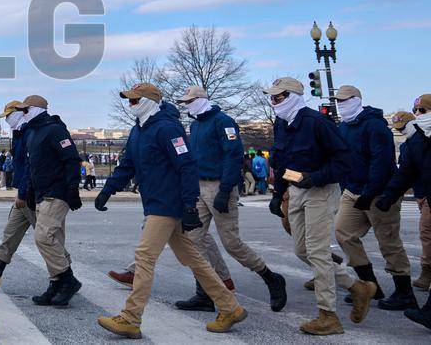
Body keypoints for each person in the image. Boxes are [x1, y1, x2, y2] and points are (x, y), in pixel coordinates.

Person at [95, 83, 245, 339]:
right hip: (154, 201)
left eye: (134, 100)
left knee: (144, 256)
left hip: (168, 203)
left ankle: (131, 318)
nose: (130, 105)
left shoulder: (168, 128)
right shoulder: (138, 129)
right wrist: (107, 189)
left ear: (150, 101)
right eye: (129, 101)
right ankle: (230, 307)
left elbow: (187, 166)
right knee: (193, 258)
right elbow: (127, 164)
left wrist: (189, 204)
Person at [265, 77, 374, 335]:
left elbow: (344, 160)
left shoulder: (317, 122)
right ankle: (358, 287)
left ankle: (328, 316)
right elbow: (280, 161)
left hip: (320, 191)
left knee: (317, 251)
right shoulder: (282, 124)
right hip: (295, 190)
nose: (273, 102)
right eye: (271, 97)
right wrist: (277, 193)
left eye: (278, 97)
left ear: (292, 96)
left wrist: (316, 177)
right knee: (302, 250)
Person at [173, 86, 287, 313]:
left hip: (219, 186)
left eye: (190, 101)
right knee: (192, 241)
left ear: (201, 99)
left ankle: (271, 278)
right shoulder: (195, 125)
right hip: (199, 186)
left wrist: (225, 190)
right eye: (185, 102)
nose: (187, 105)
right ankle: (204, 293)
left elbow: (233, 155)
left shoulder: (223, 121)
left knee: (232, 244)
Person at [331, 85, 416, 311]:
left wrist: (369, 193)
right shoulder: (344, 127)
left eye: (345, 100)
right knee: (343, 233)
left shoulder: (375, 125)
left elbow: (381, 162)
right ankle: (371, 286)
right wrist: (345, 187)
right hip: (352, 190)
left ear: (357, 100)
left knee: (388, 242)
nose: (341, 105)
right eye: (338, 101)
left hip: (379, 192)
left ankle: (405, 293)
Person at [20, 95, 84, 307]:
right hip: (41, 193)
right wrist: (29, 189)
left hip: (57, 192)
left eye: (26, 109)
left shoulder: (55, 130)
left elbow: (72, 158)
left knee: (43, 237)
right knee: (54, 239)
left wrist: (73, 187)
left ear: (38, 109)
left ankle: (67, 279)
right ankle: (56, 284)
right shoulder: (33, 134)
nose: (23, 113)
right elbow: (33, 166)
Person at [376, 95, 431, 330]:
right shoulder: (418, 139)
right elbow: (406, 171)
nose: (417, 114)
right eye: (415, 110)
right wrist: (389, 195)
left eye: (422, 110)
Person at [0, 101, 36, 280]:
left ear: (19, 113)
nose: (7, 119)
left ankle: (64, 275)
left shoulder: (29, 132)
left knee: (47, 239)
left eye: (8, 115)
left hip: (30, 194)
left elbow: (29, 165)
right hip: (23, 193)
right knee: (9, 235)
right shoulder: (19, 133)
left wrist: (22, 193)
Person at [389, 110, 431, 292]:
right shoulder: (409, 145)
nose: (402, 131)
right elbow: (406, 172)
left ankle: (426, 271)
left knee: (426, 232)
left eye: (422, 110)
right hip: (421, 193)